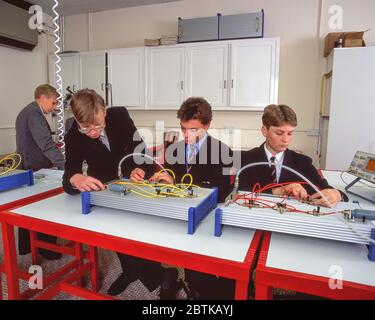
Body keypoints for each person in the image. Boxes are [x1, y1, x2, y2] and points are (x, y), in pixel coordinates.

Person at [62, 89, 175, 298]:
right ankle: (137, 272)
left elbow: (139, 149)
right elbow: (69, 176)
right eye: (85, 127)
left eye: (97, 125)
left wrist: (137, 168)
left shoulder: (120, 116)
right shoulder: (73, 136)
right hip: (104, 184)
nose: (93, 132)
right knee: (115, 233)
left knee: (139, 231)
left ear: (104, 111)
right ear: (77, 121)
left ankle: (155, 274)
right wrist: (74, 178)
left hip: (134, 178)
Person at [131, 97, 235, 299]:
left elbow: (220, 192)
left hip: (205, 219)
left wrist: (175, 181)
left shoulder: (223, 151)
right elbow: (167, 179)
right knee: (139, 242)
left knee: (202, 278)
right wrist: (160, 180)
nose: (186, 135)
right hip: (176, 212)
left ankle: (195, 286)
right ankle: (172, 277)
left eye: (193, 130)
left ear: (207, 125)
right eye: (183, 128)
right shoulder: (173, 149)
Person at [239, 104, 347, 207]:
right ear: (264, 131)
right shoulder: (246, 159)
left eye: (290, 133)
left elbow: (324, 189)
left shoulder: (303, 163)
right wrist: (278, 191)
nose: (286, 140)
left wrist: (337, 194)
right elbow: (236, 192)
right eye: (279, 133)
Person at [15, 84, 65, 260]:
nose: (54, 106)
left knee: (27, 206)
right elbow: (45, 144)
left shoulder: (26, 112)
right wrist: (63, 164)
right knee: (45, 208)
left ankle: (26, 246)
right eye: (53, 102)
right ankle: (46, 248)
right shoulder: (34, 114)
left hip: (27, 164)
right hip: (35, 167)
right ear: (42, 97)